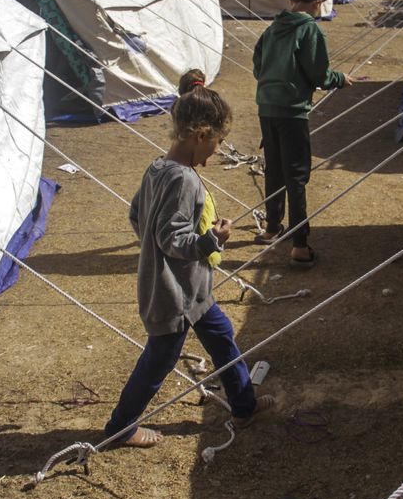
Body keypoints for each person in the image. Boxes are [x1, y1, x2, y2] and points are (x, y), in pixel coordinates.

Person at [105, 84, 276, 447]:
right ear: (201, 135)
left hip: (195, 292)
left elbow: (137, 215)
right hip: (175, 297)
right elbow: (173, 239)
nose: (214, 153)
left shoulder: (157, 168)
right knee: (159, 361)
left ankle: (243, 406)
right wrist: (213, 239)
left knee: (223, 339)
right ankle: (121, 426)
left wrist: (153, 245)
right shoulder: (183, 179)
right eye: (216, 144)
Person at [252, 0, 353, 269]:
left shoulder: (271, 29)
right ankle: (299, 244)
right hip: (292, 111)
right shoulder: (311, 30)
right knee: (296, 176)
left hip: (266, 107)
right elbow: (318, 74)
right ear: (319, 1)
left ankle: (272, 227)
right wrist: (340, 79)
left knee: (275, 169)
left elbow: (258, 67)